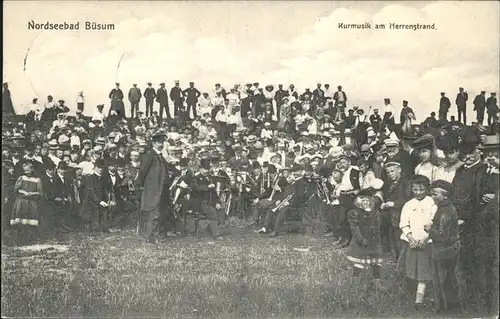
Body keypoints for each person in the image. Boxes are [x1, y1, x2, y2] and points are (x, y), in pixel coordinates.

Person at [424, 180, 461, 315]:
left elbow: (442, 235)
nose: (432, 197)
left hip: (444, 250)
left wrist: (429, 228)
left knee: (442, 279)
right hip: (447, 249)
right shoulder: (444, 207)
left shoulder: (445, 211)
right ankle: (450, 305)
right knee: (447, 278)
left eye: (435, 194)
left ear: (445, 196)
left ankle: (445, 308)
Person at [399, 175, 436, 308]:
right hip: (413, 242)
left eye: (421, 189)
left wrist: (426, 238)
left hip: (428, 241)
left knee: (425, 270)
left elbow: (434, 222)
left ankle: (419, 298)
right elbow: (403, 223)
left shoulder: (432, 203)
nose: (418, 192)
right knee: (413, 268)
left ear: (427, 189)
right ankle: (413, 291)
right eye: (415, 189)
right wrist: (410, 238)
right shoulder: (409, 205)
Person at [345, 184, 388, 292]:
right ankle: (356, 283)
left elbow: (380, 227)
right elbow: (354, 228)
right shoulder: (354, 213)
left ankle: (377, 282)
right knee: (360, 263)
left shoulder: (376, 213)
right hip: (362, 241)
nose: (366, 203)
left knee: (375, 262)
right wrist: (360, 239)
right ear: (359, 202)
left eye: (368, 200)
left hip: (374, 241)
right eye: (363, 200)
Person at [134, 130, 172, 244]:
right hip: (152, 189)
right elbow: (142, 172)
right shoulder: (149, 155)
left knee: (160, 212)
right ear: (154, 143)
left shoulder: (160, 156)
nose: (161, 144)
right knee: (153, 212)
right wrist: (138, 186)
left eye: (162, 141)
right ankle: (150, 237)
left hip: (162, 189)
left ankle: (157, 234)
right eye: (159, 142)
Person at [381, 161, 410, 261]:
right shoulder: (389, 183)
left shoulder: (405, 183)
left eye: (392, 171)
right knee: (394, 236)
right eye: (388, 172)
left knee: (400, 236)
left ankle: (402, 258)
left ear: (399, 170)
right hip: (392, 215)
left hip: (401, 214)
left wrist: (394, 203)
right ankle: (397, 256)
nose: (390, 174)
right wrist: (384, 202)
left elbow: (408, 199)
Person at [10, 161, 44, 246]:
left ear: (32, 169)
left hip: (31, 202)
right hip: (21, 201)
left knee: (30, 221)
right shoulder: (21, 178)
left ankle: (29, 239)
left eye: (28, 170)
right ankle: (20, 240)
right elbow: (15, 189)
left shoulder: (37, 180)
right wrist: (22, 192)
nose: (26, 172)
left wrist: (32, 194)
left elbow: (40, 192)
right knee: (20, 221)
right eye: (25, 170)